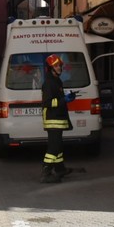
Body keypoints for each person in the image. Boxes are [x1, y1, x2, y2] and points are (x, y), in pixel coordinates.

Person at [40, 54, 75, 183]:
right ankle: (46, 172)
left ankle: (60, 169)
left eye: (60, 65)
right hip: (52, 119)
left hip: (58, 119)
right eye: (56, 65)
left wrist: (67, 98)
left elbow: (59, 99)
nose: (59, 67)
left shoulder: (57, 81)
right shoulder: (49, 83)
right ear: (50, 68)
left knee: (58, 146)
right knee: (53, 148)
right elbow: (47, 103)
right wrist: (63, 100)